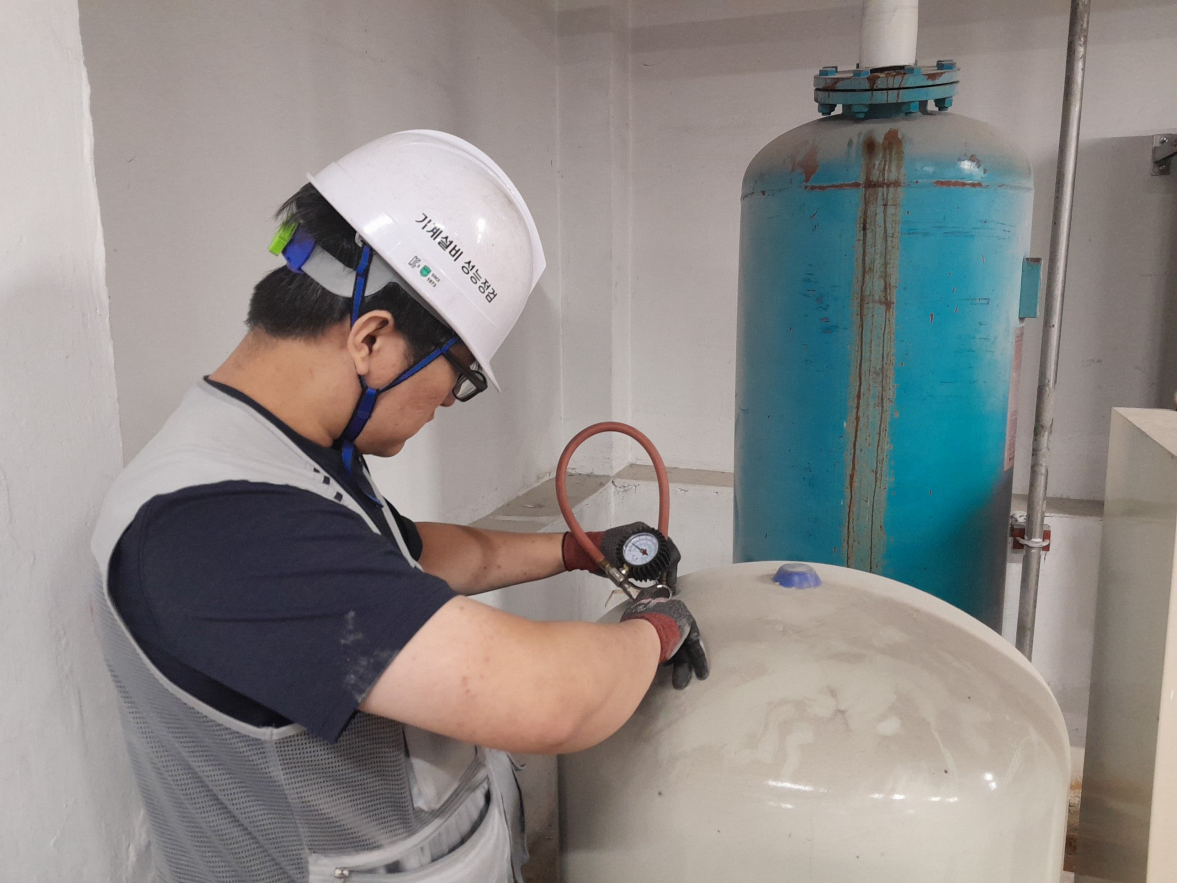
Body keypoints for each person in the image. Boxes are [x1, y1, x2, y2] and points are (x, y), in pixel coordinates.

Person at [90, 130, 708, 883]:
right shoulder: (217, 527)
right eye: (459, 376)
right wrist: (658, 627)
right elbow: (552, 700)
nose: (447, 401)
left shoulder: (285, 453)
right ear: (373, 339)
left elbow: (410, 557)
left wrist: (577, 548)